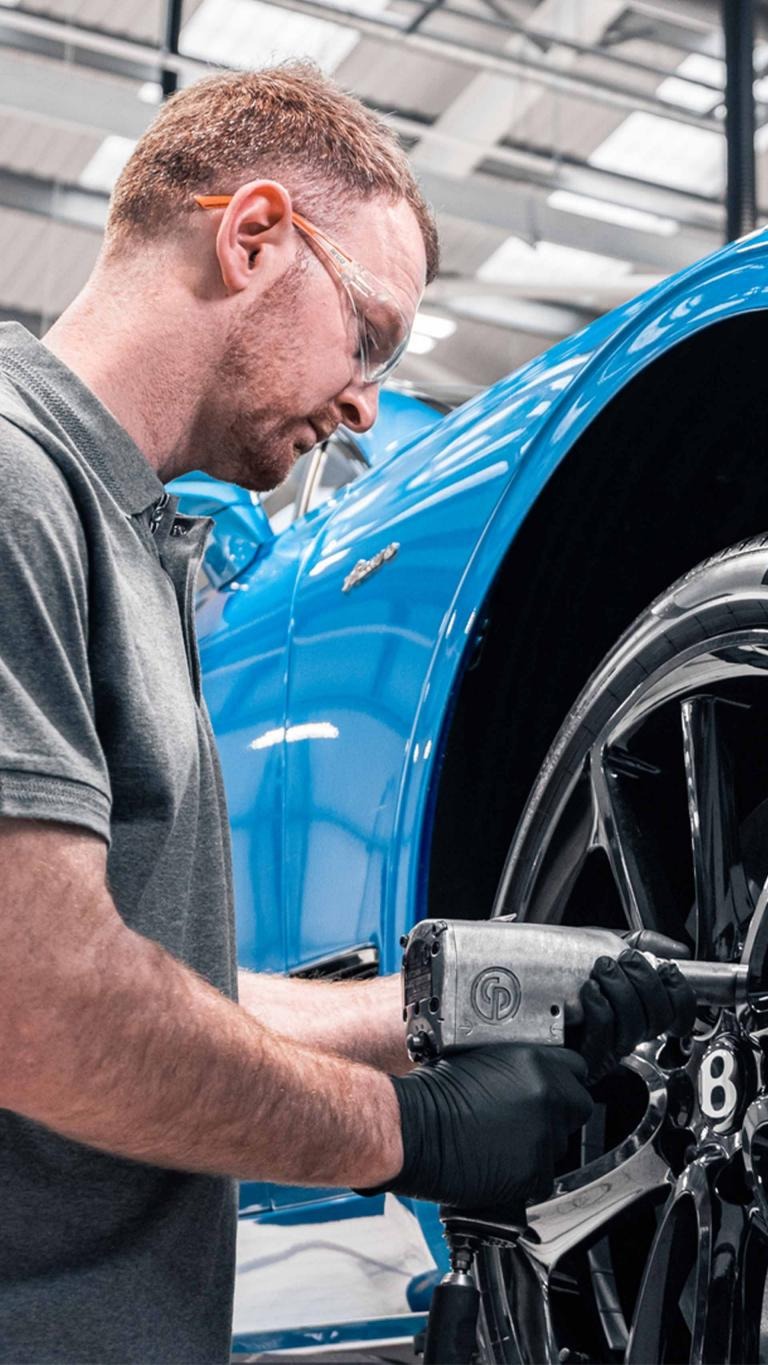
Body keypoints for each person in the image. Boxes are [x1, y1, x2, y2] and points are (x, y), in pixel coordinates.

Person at [0, 63, 695, 1364]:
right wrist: (409, 1132)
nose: (368, 402)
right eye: (370, 335)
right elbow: (36, 1007)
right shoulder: (12, 494)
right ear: (255, 234)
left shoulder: (118, 537)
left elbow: (170, 989)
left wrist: (457, 1006)